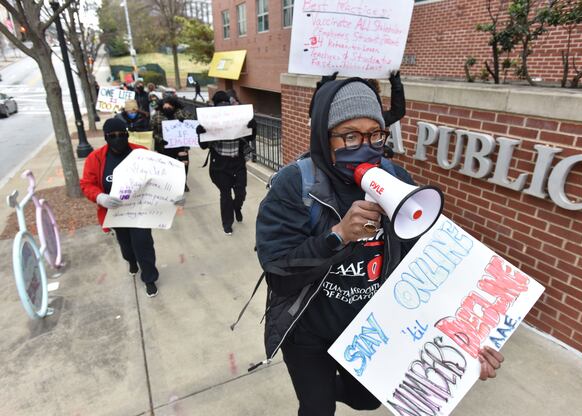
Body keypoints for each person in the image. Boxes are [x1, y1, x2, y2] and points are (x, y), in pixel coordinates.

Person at [255, 79, 504, 416]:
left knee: (368, 399)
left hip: (368, 330)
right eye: (350, 136)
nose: (366, 145)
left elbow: (430, 264)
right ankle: (320, 396)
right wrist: (338, 236)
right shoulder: (295, 185)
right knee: (316, 408)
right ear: (322, 137)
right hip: (308, 331)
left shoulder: (395, 177)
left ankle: (329, 390)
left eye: (375, 133)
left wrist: (471, 339)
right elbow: (280, 275)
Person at [80, 118, 185, 298]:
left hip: (141, 211)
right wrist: (100, 197)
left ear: (127, 134)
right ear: (106, 137)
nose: (118, 139)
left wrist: (174, 195)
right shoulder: (95, 158)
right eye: (112, 136)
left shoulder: (141, 153)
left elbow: (160, 179)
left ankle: (149, 278)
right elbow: (87, 184)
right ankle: (131, 261)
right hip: (116, 212)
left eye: (121, 134)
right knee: (126, 245)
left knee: (143, 243)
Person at [196, 90, 256, 235]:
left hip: (237, 162)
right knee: (226, 195)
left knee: (241, 192)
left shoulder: (237, 117)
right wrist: (201, 133)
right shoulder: (210, 120)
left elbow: (249, 137)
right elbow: (204, 146)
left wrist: (252, 126)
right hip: (220, 165)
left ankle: (237, 208)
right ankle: (227, 223)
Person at [151, 95, 194, 192]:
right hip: (164, 146)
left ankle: (183, 183)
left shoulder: (183, 113)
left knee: (183, 165)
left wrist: (184, 121)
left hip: (181, 145)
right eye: (165, 107)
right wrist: (160, 139)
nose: (167, 109)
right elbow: (153, 132)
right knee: (167, 166)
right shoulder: (157, 116)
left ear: (174, 106)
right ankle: (170, 184)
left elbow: (192, 124)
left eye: (169, 107)